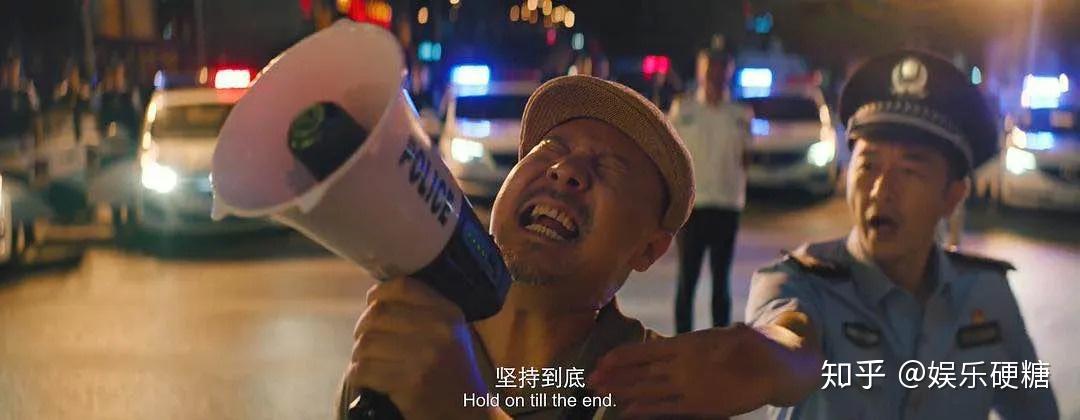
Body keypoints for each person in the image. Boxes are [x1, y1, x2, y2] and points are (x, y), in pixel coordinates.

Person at [587, 50, 1060, 419]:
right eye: (868, 165)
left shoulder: (988, 296)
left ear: (952, 196)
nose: (881, 189)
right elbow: (790, 337)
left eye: (910, 171)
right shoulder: (798, 282)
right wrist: (757, 361)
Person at [337, 75, 695, 419]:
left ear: (649, 250)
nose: (565, 169)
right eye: (551, 149)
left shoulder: (662, 393)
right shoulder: (412, 341)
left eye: (611, 168)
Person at [668, 49, 752, 332]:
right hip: (692, 208)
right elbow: (671, 154)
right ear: (700, 71)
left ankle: (719, 345)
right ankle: (682, 344)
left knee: (721, 283)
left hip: (727, 206)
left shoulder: (740, 114)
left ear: (729, 72)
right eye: (709, 68)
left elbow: (746, 158)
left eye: (720, 69)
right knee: (687, 281)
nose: (715, 75)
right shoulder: (684, 109)